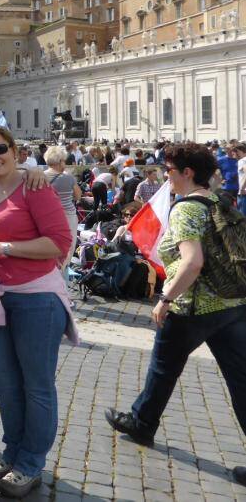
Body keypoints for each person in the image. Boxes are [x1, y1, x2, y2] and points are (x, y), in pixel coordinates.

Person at [104, 142, 246, 489]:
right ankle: (143, 420)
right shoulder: (219, 201)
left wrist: (165, 298)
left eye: (169, 169)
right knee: (241, 381)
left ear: (187, 173)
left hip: (193, 308)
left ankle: (141, 422)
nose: (165, 174)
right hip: (232, 304)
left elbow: (192, 261)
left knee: (163, 367)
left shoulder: (186, 210)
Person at [0, 126, 75, 498]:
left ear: (14, 151)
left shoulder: (35, 187)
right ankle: (11, 455)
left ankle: (30, 464)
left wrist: (3, 247)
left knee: (37, 386)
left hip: (36, 299)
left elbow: (59, 243)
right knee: (7, 384)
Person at [43, 146, 81, 278]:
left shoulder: (40, 176)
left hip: (47, 217)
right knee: (67, 251)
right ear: (59, 162)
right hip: (68, 216)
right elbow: (78, 196)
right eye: (64, 161)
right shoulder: (68, 178)